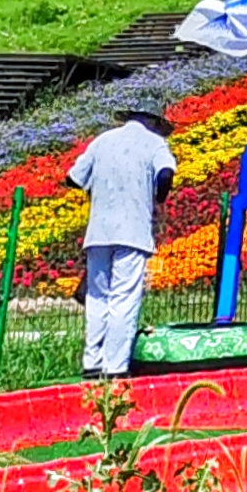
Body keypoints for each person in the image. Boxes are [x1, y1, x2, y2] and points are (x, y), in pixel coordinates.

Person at [66, 108, 177, 378]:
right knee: (124, 298)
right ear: (151, 121)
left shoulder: (102, 140)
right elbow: (165, 174)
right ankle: (115, 366)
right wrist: (158, 197)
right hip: (133, 230)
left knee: (97, 297)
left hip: (98, 231)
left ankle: (92, 362)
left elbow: (72, 178)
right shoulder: (154, 143)